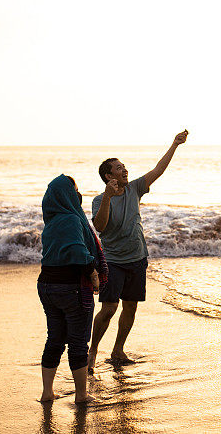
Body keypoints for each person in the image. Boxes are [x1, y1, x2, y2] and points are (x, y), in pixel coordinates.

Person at [88, 130, 188, 371]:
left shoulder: (134, 188)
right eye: (119, 168)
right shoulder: (99, 199)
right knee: (109, 308)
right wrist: (108, 198)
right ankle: (93, 350)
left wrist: (174, 144)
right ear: (108, 175)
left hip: (136, 258)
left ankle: (118, 350)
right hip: (112, 261)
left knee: (130, 306)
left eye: (124, 166)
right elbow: (100, 227)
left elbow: (158, 170)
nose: (125, 170)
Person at [38, 174, 107, 403]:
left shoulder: (51, 222)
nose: (78, 195)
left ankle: (47, 393)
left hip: (47, 286)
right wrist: (93, 273)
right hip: (72, 288)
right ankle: (81, 395)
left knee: (55, 339)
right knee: (78, 342)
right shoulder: (72, 220)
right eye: (75, 190)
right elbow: (78, 252)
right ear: (67, 195)